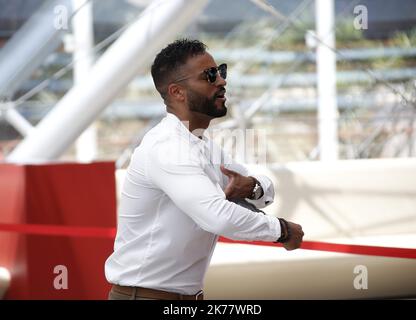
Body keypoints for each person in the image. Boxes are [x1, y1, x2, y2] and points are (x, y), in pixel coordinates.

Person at [105, 39, 304, 300]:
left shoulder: (201, 145)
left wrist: (252, 186)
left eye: (221, 71)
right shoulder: (166, 147)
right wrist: (282, 231)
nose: (221, 81)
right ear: (177, 92)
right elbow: (217, 216)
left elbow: (264, 189)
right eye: (210, 75)